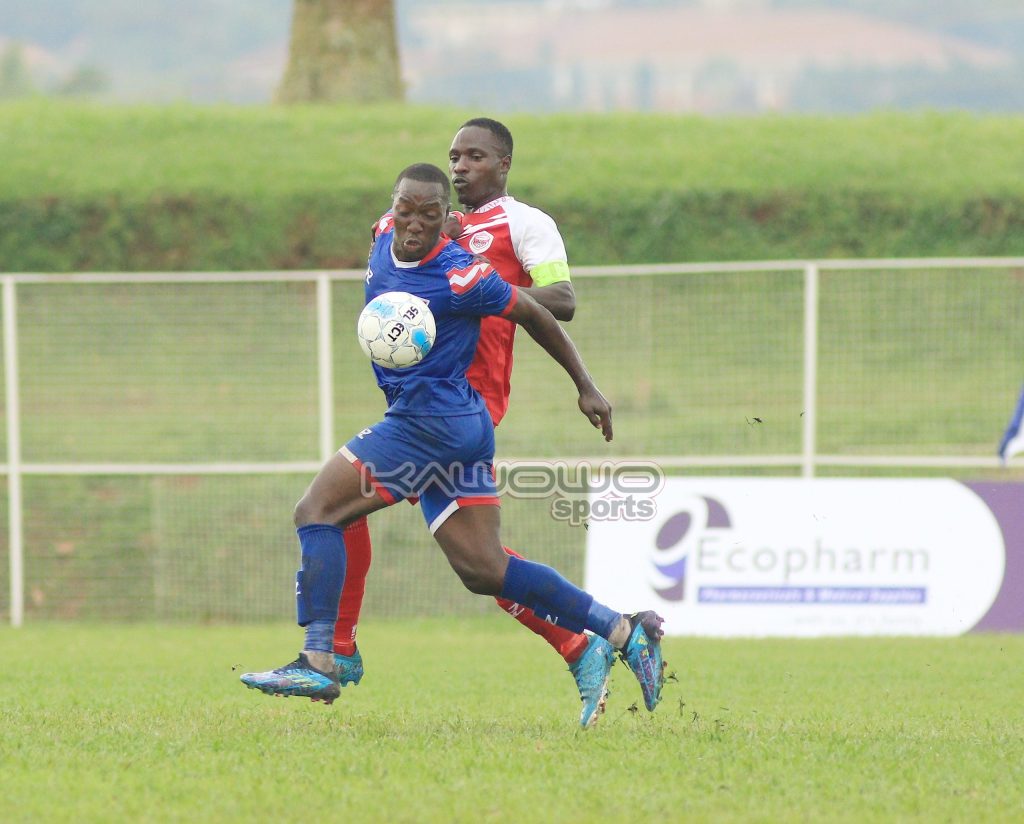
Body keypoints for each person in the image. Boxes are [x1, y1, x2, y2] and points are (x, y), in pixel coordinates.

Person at [240, 163, 665, 718]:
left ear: (443, 221)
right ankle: (622, 630)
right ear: (392, 208)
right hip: (458, 428)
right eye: (405, 211)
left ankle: (321, 658)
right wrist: (449, 221)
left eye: (428, 215)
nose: (413, 225)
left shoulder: (464, 276)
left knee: (318, 509)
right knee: (483, 568)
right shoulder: (380, 236)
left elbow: (537, 312)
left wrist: (585, 385)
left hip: (428, 425)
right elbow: (435, 220)